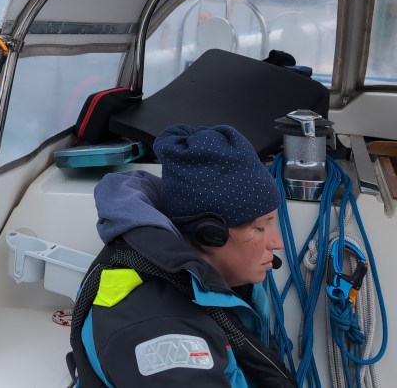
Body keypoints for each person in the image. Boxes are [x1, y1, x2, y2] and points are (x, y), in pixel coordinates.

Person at [69, 124, 295, 387]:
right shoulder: (161, 332)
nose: (277, 242)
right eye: (259, 227)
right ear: (210, 235)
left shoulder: (206, 284)